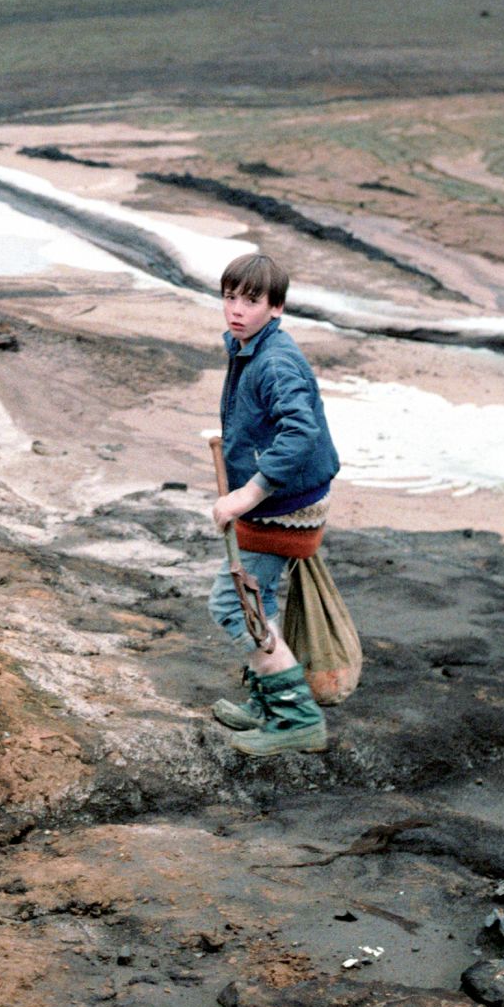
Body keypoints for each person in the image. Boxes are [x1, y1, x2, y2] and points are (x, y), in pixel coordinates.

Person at [207, 253, 340, 756]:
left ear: (276, 307)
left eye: (251, 301)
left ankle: (296, 718)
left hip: (285, 505)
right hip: (282, 496)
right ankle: (268, 704)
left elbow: (301, 432)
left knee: (233, 604)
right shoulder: (250, 347)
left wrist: (249, 492)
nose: (237, 310)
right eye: (230, 297)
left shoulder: (275, 361)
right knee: (255, 600)